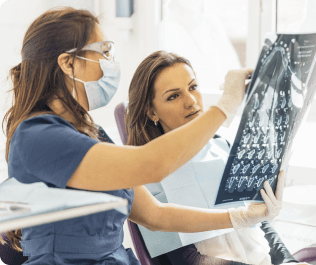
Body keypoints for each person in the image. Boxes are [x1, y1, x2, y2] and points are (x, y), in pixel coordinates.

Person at [0, 7, 278, 265]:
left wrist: (240, 217)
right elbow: (152, 165)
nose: (111, 63)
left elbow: (156, 215)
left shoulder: (91, 135)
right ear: (68, 63)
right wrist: (226, 105)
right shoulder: (38, 136)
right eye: (104, 51)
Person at [125, 51, 299, 265]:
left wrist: (289, 262)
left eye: (193, 87)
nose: (191, 101)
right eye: (173, 96)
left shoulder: (221, 147)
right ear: (152, 112)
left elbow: (259, 223)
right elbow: (186, 260)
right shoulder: (149, 174)